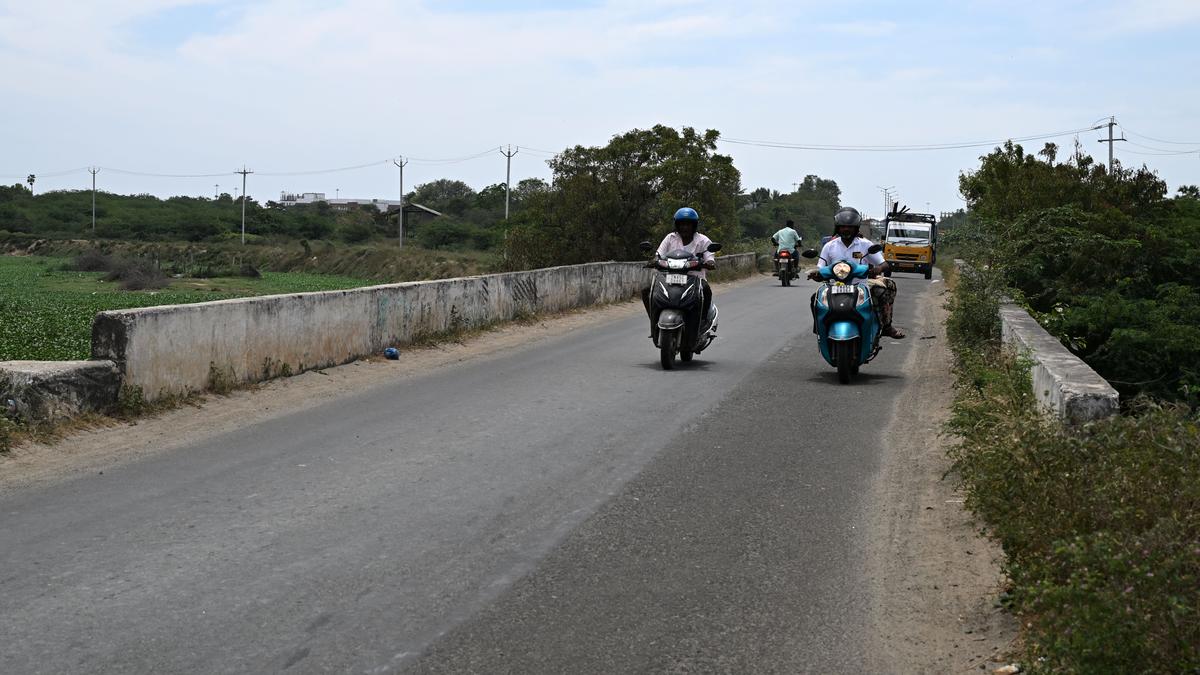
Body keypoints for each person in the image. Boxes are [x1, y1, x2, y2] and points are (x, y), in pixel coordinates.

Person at [808, 206, 906, 339]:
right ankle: (820, 329)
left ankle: (887, 326)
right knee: (815, 298)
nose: (846, 229)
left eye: (850, 227)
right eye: (843, 226)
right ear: (838, 227)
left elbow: (884, 263)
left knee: (882, 293)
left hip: (861, 286)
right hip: (834, 287)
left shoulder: (865, 245)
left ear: (856, 228)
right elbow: (821, 268)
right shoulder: (829, 246)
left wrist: (877, 269)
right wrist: (816, 275)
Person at [642, 207, 717, 336]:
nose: (685, 227)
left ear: (694, 225)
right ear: (677, 225)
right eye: (682, 224)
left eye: (688, 224)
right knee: (647, 290)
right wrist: (654, 260)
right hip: (668, 278)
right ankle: (654, 321)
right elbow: (659, 254)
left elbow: (710, 257)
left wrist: (709, 262)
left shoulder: (703, 241)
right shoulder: (670, 238)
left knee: (706, 291)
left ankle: (702, 322)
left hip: (695, 279)